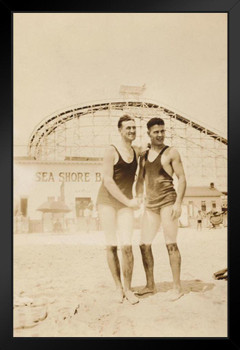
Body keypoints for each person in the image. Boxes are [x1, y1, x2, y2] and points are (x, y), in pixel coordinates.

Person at [135, 117, 187, 301]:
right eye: (156, 132)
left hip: (167, 202)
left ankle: (177, 287)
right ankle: (150, 285)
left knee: (170, 243)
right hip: (150, 205)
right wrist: (138, 199)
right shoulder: (143, 155)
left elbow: (182, 179)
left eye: (162, 131)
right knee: (144, 244)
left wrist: (178, 203)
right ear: (148, 133)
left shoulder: (171, 153)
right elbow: (140, 180)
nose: (160, 135)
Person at [96, 114, 140, 305]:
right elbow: (107, 180)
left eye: (134, 127)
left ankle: (129, 289)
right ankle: (118, 288)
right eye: (127, 128)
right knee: (112, 245)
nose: (131, 131)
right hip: (107, 201)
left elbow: (142, 177)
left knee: (128, 246)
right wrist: (128, 201)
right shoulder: (111, 150)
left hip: (125, 203)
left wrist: (137, 196)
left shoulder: (137, 152)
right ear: (120, 130)